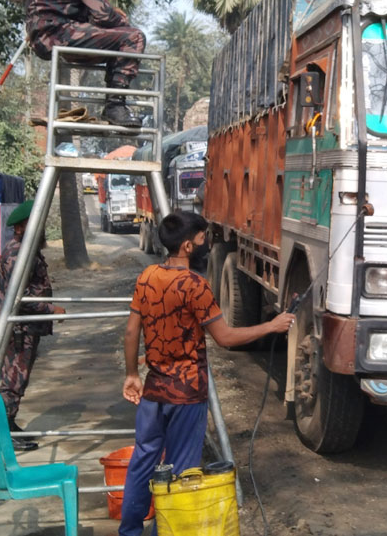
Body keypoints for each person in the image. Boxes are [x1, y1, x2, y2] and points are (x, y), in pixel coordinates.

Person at [118, 212, 294, 536]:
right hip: (187, 395)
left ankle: (129, 531)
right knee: (183, 472)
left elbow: (131, 333)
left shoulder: (147, 277)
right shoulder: (195, 286)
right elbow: (225, 338)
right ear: (187, 245)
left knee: (143, 464)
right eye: (202, 239)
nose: (206, 245)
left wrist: (132, 374)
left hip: (153, 391)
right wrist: (272, 325)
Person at [0, 200, 66, 451]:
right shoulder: (18, 253)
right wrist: (51, 309)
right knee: (12, 381)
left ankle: (9, 424)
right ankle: (2, 435)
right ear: (22, 226)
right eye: (36, 223)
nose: (42, 229)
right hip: (18, 329)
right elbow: (19, 296)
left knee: (17, 379)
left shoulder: (27, 249)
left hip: (26, 328)